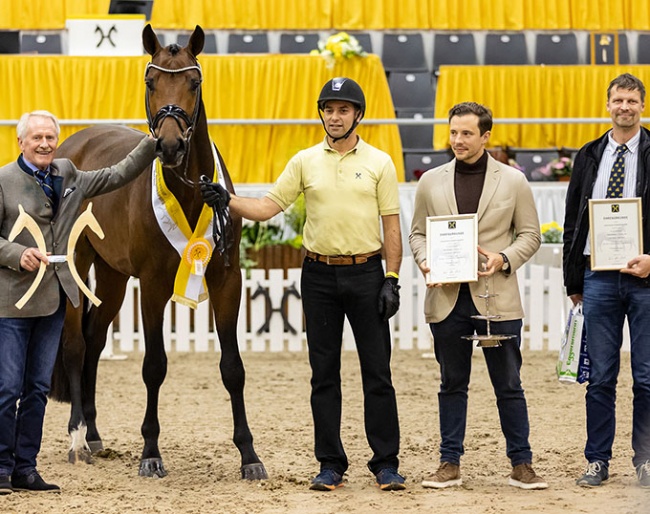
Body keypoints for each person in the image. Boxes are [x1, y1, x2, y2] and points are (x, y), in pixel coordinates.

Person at [201, 77, 405, 491]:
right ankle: (330, 463)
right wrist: (226, 198)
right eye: (328, 109)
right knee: (323, 374)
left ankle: (385, 463)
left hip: (366, 273)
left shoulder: (381, 162)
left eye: (343, 109)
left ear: (358, 115)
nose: (335, 116)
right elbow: (265, 207)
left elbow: (392, 228)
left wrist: (392, 278)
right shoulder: (305, 161)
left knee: (377, 373)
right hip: (319, 277)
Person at [0, 111, 156, 495]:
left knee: (36, 388)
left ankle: (25, 468)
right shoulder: (3, 180)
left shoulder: (67, 174)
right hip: (13, 302)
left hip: (55, 298)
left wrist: (154, 142)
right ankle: (1, 468)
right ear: (21, 142)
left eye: (50, 137)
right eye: (36, 137)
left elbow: (115, 175)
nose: (44, 144)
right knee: (6, 388)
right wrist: (15, 254)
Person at [409, 102, 547, 490]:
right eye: (453, 132)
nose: (458, 140)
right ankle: (449, 462)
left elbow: (531, 236)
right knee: (451, 383)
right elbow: (417, 234)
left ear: (486, 136)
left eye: (467, 133)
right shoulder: (430, 181)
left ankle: (522, 463)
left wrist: (504, 258)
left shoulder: (514, 181)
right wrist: (425, 261)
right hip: (448, 297)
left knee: (509, 384)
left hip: (497, 296)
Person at [563, 73, 650, 488]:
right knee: (600, 377)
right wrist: (572, 280)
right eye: (618, 100)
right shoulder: (589, 154)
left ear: (642, 106)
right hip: (597, 278)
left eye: (632, 101)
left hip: (646, 280)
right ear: (608, 104)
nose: (625, 107)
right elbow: (572, 222)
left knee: (647, 376)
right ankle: (597, 460)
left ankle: (646, 460)